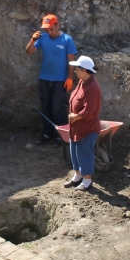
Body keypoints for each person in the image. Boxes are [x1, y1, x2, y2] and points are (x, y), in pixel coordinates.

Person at [25, 13, 77, 147]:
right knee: (45, 107)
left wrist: (70, 78)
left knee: (57, 109)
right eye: (46, 29)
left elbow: (71, 61)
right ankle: (46, 133)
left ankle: (60, 136)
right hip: (44, 79)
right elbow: (29, 51)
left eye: (51, 29)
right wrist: (32, 40)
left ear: (57, 25)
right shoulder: (42, 38)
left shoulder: (67, 40)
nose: (49, 32)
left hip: (60, 81)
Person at [64, 56, 102, 192]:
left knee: (85, 153)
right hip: (76, 127)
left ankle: (87, 180)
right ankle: (78, 175)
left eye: (77, 69)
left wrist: (76, 116)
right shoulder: (82, 82)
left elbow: (89, 110)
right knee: (75, 152)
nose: (75, 71)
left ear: (85, 70)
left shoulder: (93, 87)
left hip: (87, 129)